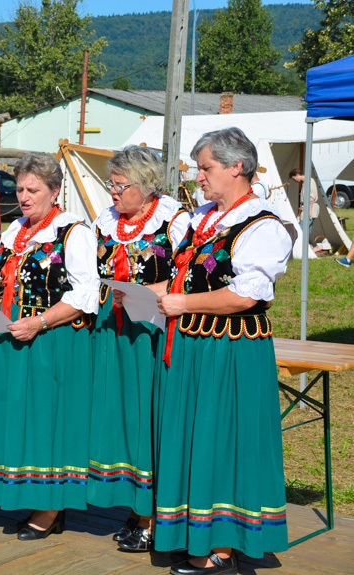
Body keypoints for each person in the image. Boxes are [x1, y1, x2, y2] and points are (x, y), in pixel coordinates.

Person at [155, 127, 291, 574]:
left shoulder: (262, 225)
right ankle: (193, 532)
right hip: (195, 346)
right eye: (199, 168)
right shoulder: (206, 219)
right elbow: (186, 281)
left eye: (206, 168)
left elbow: (245, 295)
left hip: (231, 351)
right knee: (195, 440)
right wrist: (139, 292)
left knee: (224, 441)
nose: (199, 177)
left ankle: (224, 544)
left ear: (237, 168)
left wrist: (181, 303)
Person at [0, 152, 100, 540]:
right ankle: (24, 492)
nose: (23, 197)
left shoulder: (73, 232)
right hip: (12, 337)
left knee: (47, 419)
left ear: (55, 191)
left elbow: (86, 294)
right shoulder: (14, 231)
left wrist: (40, 321)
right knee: (17, 417)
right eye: (20, 189)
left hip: (51, 340)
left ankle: (51, 506)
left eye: (33, 190)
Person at [89, 146, 189, 552]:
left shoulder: (176, 222)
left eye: (120, 185)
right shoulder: (105, 222)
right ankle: (133, 505)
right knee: (122, 419)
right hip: (113, 335)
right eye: (110, 184)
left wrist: (143, 293)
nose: (112, 192)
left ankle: (153, 513)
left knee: (150, 421)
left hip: (153, 337)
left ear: (147, 186)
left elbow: (188, 277)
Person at [290, 167, 320, 239]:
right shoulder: (305, 182)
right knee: (306, 232)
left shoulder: (309, 181)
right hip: (307, 208)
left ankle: (314, 246)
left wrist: (309, 211)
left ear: (297, 175)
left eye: (294, 178)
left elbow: (311, 198)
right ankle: (312, 247)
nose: (295, 180)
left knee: (302, 230)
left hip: (309, 208)